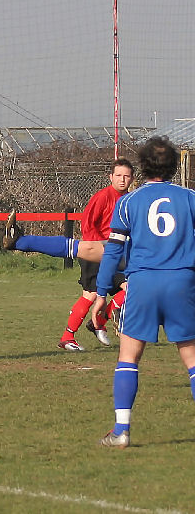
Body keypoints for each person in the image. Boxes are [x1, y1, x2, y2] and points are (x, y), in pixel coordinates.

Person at [91, 137, 195, 448]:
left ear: (142, 167)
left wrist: (101, 292)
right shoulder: (190, 198)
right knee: (192, 359)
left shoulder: (127, 202)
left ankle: (121, 430)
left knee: (128, 357)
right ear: (175, 167)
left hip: (143, 284)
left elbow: (112, 251)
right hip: (181, 282)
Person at [58, 159, 134, 352]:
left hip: (117, 256)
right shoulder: (103, 196)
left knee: (133, 288)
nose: (122, 179)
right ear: (111, 177)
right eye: (118, 175)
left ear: (132, 178)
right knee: (91, 295)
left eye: (126, 176)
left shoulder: (131, 199)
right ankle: (68, 337)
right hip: (97, 253)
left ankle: (97, 321)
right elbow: (88, 225)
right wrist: (97, 250)